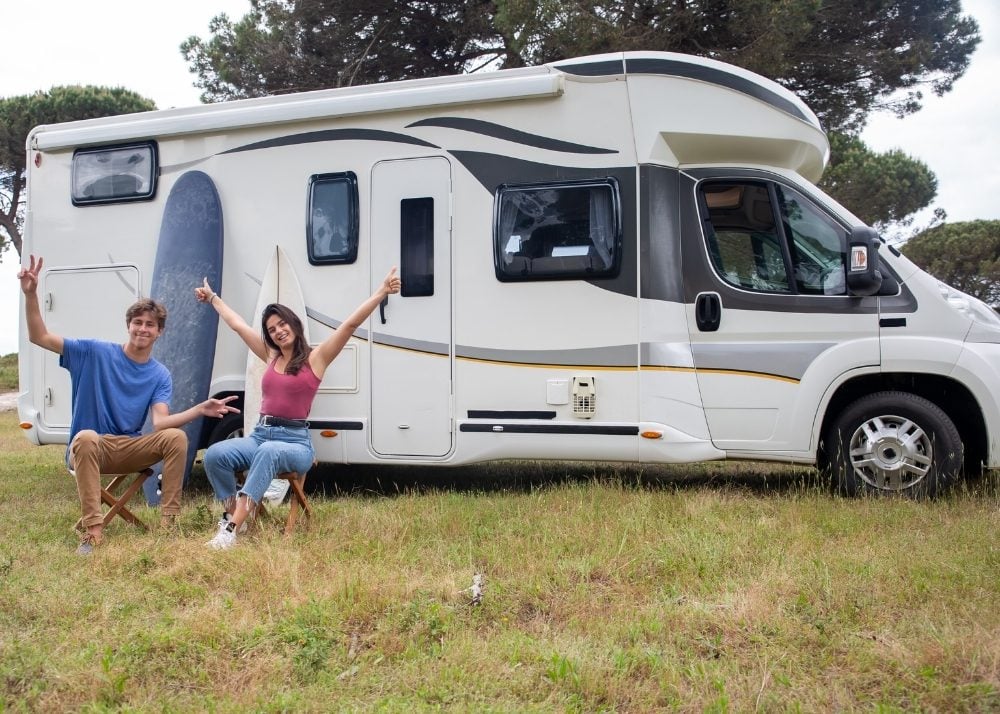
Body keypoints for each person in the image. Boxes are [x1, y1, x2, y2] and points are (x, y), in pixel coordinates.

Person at [18, 255, 241, 554]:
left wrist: (200, 409)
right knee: (85, 437)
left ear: (159, 332)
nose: (143, 329)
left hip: (128, 448)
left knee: (176, 437)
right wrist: (31, 294)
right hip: (89, 449)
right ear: (128, 325)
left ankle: (168, 524)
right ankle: (93, 533)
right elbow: (39, 336)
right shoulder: (93, 352)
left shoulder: (159, 374)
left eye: (150, 325)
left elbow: (161, 423)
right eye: (138, 322)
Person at [196, 266, 401, 550]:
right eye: (271, 329)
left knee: (269, 452)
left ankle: (232, 529)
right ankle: (233, 513)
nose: (278, 331)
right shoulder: (269, 356)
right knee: (216, 454)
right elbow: (238, 325)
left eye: (282, 324)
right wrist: (213, 298)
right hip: (260, 436)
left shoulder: (316, 359)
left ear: (293, 324)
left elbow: (349, 326)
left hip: (295, 443)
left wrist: (381, 292)